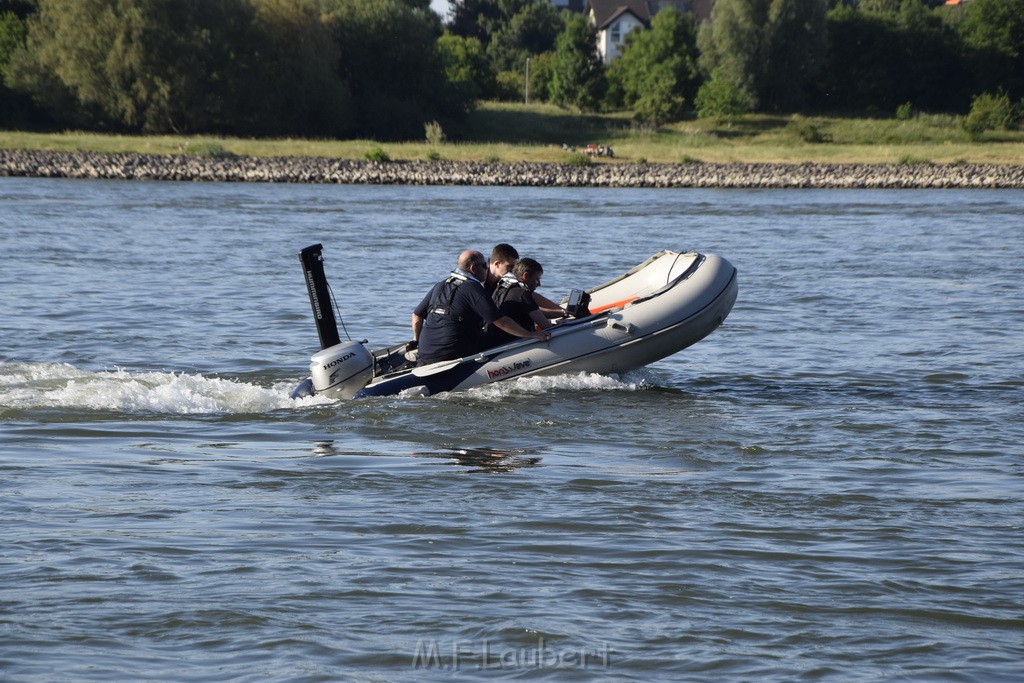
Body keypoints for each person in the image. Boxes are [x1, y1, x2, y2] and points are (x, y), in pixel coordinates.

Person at [412, 250, 550, 365]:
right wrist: (530, 334)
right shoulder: (473, 287)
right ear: (473, 269)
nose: (487, 269)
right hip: (453, 351)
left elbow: (417, 316)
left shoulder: (440, 284)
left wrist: (416, 340)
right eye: (484, 266)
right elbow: (501, 321)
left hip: (426, 351)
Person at [486, 243, 567, 319]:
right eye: (510, 266)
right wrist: (562, 312)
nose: (513, 270)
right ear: (497, 264)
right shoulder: (479, 281)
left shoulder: (506, 278)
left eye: (514, 266)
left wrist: (562, 310)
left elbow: (532, 297)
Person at [489, 258, 554, 346]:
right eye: (537, 279)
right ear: (525, 276)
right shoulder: (522, 294)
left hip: (496, 342)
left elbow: (536, 312)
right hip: (513, 345)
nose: (539, 284)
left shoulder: (503, 287)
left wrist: (563, 313)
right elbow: (547, 326)